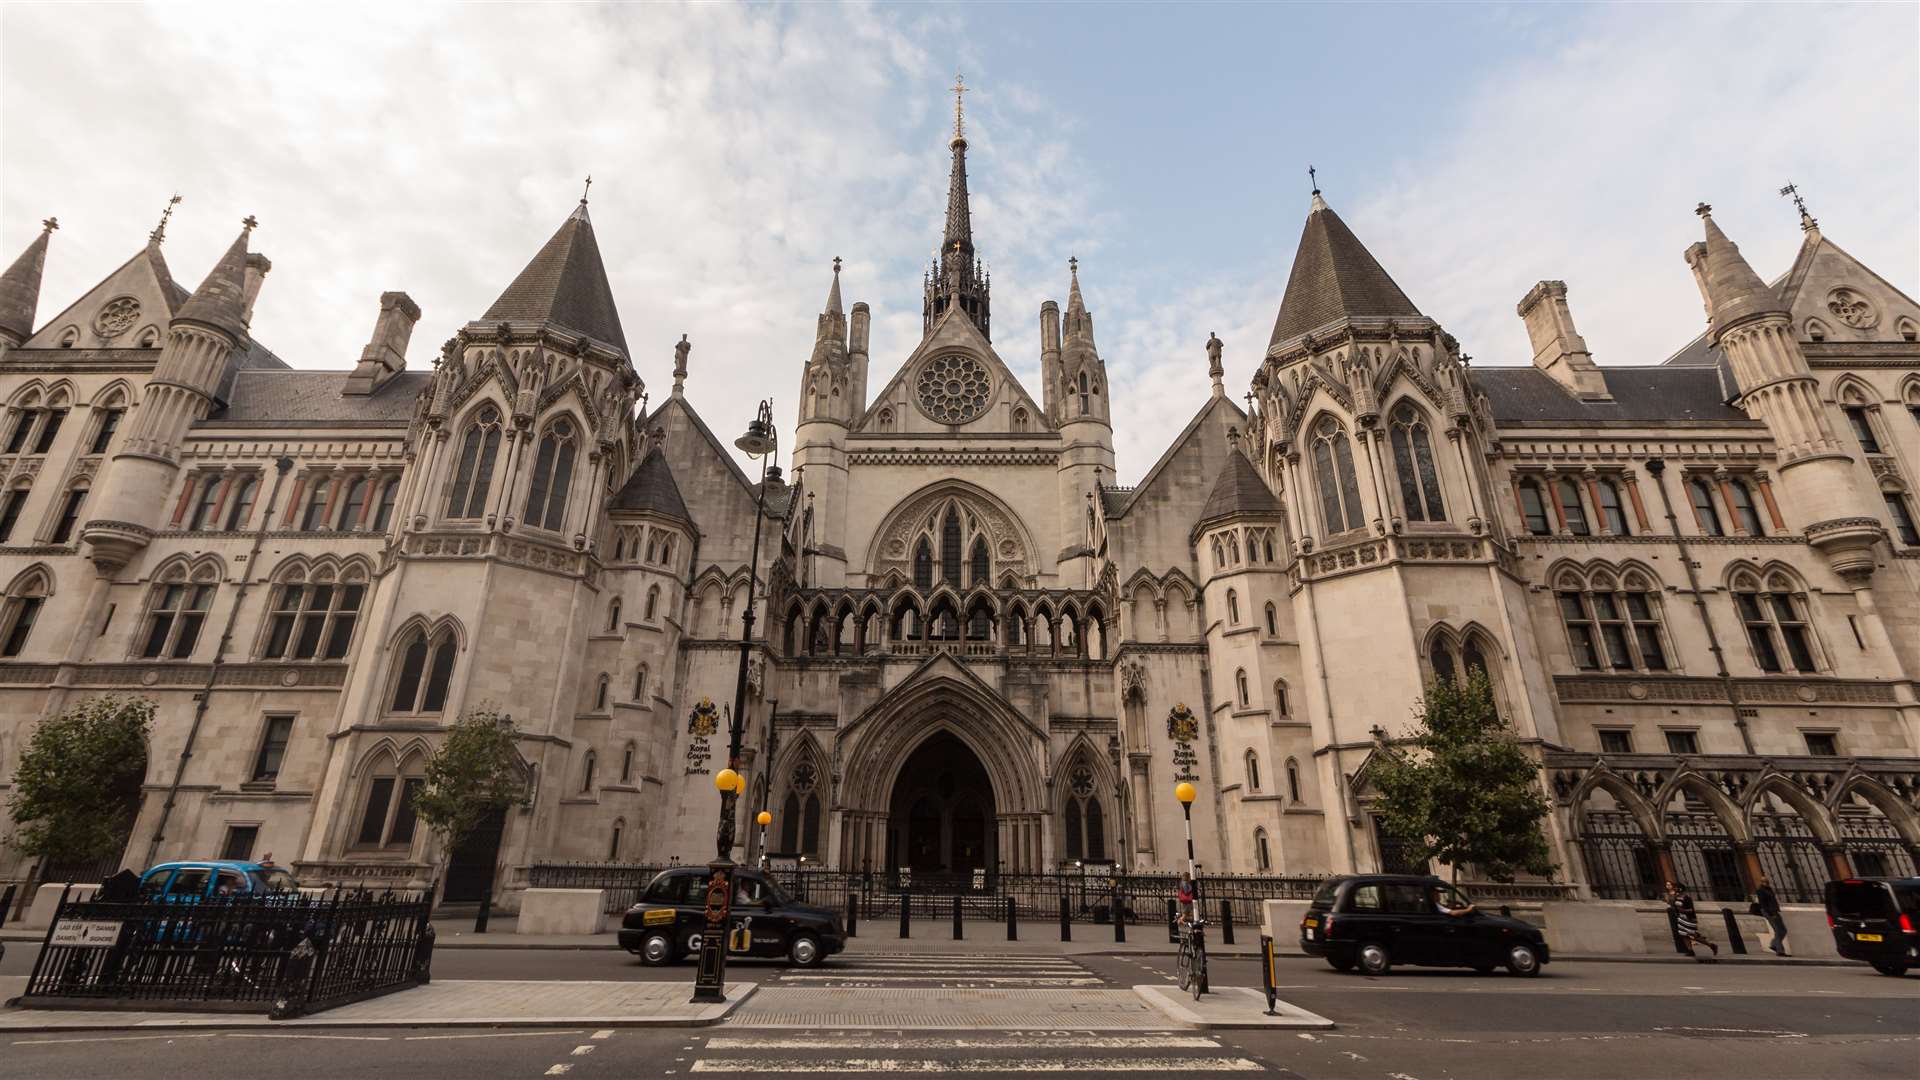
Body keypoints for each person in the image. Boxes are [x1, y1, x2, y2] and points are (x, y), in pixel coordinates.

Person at [1666, 881, 1718, 960]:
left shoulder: (1687, 898)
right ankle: (1690, 950)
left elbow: (1691, 910)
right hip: (1681, 918)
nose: (1675, 889)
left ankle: (1711, 945)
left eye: (1676, 888)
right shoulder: (1677, 897)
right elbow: (1675, 906)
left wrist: (1682, 910)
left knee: (1693, 935)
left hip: (1689, 919)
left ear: (1680, 889)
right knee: (1683, 934)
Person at [1751, 875, 1788, 956]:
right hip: (1769, 912)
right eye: (1764, 881)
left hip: (1775, 911)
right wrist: (1771, 914)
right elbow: (1763, 904)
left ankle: (1773, 944)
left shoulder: (1769, 889)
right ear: (1761, 882)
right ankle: (1780, 951)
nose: (1766, 883)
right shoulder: (1760, 891)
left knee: (1783, 930)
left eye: (1767, 881)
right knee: (1778, 930)